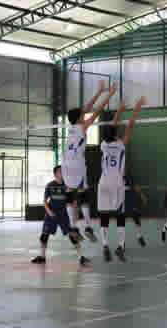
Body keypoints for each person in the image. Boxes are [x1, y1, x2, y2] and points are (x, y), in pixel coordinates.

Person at [63, 80, 118, 243]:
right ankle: (87, 226)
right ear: (79, 118)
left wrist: (99, 91)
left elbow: (86, 109)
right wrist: (110, 94)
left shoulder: (71, 126)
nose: (84, 114)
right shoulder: (82, 127)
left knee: (69, 192)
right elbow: (97, 110)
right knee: (83, 193)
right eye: (82, 115)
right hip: (77, 164)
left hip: (66, 163)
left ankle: (73, 227)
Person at [97, 97, 145, 262]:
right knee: (120, 215)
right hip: (117, 183)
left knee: (103, 215)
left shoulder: (103, 145)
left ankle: (104, 244)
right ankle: (120, 246)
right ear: (116, 134)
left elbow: (112, 126)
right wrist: (136, 107)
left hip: (102, 183)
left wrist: (119, 109)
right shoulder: (120, 144)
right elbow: (130, 125)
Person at [31, 166, 91, 266]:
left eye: (63, 171)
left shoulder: (68, 186)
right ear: (55, 174)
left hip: (64, 215)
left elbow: (74, 202)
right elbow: (45, 201)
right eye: (60, 172)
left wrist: (75, 214)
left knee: (72, 235)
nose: (62, 173)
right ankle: (42, 257)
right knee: (44, 235)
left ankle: (81, 257)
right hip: (51, 214)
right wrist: (49, 212)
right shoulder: (50, 185)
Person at [123, 166, 148, 248]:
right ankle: (121, 241)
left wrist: (142, 196)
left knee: (136, 217)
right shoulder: (116, 176)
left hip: (131, 200)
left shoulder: (130, 177)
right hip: (121, 201)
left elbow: (136, 187)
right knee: (121, 221)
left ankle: (139, 236)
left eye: (125, 167)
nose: (124, 168)